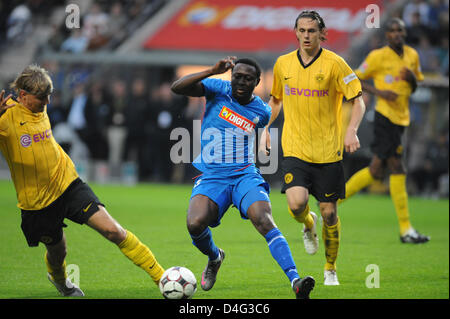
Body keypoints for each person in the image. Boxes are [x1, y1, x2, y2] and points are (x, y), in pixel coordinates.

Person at [0, 65, 164, 297]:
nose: (46, 103)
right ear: (23, 96)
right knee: (59, 253)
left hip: (68, 184)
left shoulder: (39, 108)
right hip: (38, 203)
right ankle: (60, 281)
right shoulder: (6, 119)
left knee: (114, 231)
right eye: (41, 98)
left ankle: (162, 278)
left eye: (49, 97)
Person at [171, 57, 315, 299]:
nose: (241, 82)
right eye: (237, 76)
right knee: (195, 224)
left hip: (243, 175)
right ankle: (215, 257)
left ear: (257, 82)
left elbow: (264, 125)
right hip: (213, 175)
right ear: (231, 76)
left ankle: (296, 281)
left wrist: (265, 136)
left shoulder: (261, 110)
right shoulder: (217, 89)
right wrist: (211, 71)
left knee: (263, 218)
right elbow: (178, 87)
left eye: (248, 79)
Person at [260, 11, 366, 286]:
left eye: (312, 31)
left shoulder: (336, 64)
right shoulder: (283, 64)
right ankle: (309, 223)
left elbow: (358, 100)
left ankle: (330, 268)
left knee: (330, 213)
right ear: (296, 32)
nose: (307, 35)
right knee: (296, 205)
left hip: (328, 150)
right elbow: (275, 101)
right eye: (302, 30)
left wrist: (351, 130)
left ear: (321, 33)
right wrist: (264, 130)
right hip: (295, 148)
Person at [339, 18, 430, 244]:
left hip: (402, 118)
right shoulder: (378, 56)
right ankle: (406, 229)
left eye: (400, 30)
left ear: (405, 33)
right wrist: (380, 92)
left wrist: (412, 81)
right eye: (392, 31)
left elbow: (417, 83)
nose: (396, 34)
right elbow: (356, 77)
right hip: (384, 117)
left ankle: (331, 203)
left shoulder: (412, 56)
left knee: (376, 170)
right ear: (386, 35)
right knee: (397, 167)